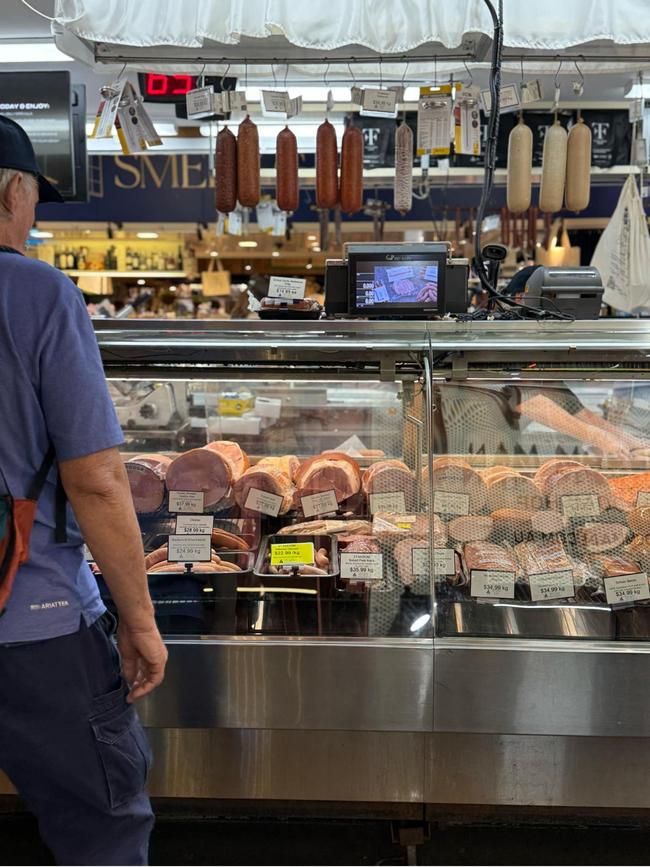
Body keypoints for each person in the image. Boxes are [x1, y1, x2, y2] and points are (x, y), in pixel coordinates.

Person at [0, 115, 167, 864]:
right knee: (100, 826)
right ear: (11, 194)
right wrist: (139, 621)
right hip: (31, 623)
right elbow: (97, 482)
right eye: (34, 198)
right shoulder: (37, 294)